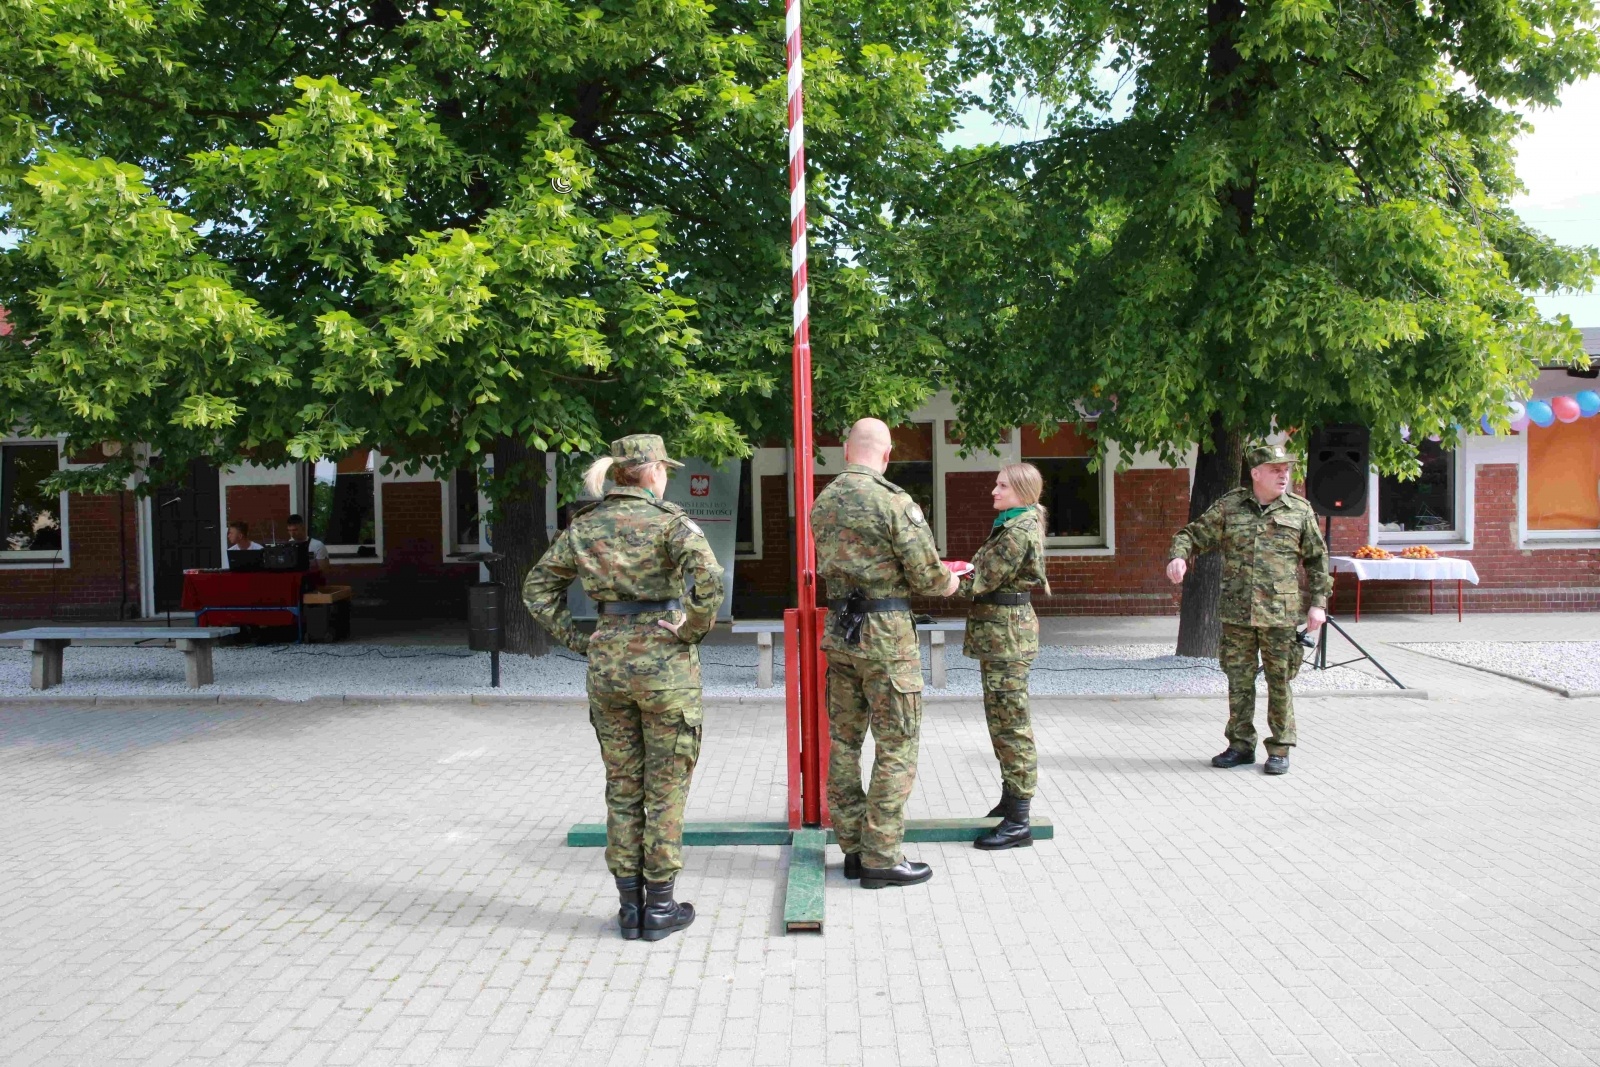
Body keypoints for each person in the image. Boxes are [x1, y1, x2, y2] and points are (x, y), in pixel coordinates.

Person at [522, 434, 723, 941]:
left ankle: (629, 907)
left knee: (623, 785)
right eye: (665, 469)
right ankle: (659, 907)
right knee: (667, 786)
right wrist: (690, 629)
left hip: (608, 662)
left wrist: (580, 640)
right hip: (663, 666)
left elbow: (537, 589)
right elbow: (709, 580)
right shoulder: (670, 524)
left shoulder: (585, 527)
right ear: (652, 470)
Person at [811, 418, 962, 889]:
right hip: (885, 634)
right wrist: (954, 578)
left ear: (845, 450)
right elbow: (928, 577)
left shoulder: (823, 501)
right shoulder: (893, 501)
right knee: (897, 744)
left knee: (845, 742)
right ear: (887, 452)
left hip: (841, 630)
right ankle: (881, 856)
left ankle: (853, 848)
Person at [1165, 442, 1331, 775]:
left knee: (1279, 680)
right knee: (1239, 680)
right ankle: (1240, 745)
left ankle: (1280, 748)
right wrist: (1178, 556)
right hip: (1238, 612)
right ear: (1256, 473)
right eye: (1275, 469)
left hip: (1280, 613)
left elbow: (1317, 560)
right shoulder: (1230, 508)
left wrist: (1318, 604)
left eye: (1286, 469)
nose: (1283, 475)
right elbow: (1191, 534)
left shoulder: (1299, 511)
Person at [959, 463, 1050, 850]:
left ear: (1022, 491)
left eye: (1001, 486)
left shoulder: (1018, 531)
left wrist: (937, 574)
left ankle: (1019, 821)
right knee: (1001, 720)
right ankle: (1010, 802)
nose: (993, 492)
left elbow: (980, 580)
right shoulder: (1012, 525)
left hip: (1007, 638)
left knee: (1011, 723)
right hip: (1000, 636)